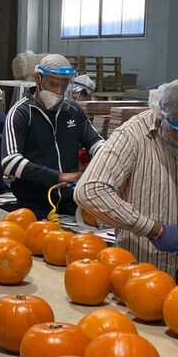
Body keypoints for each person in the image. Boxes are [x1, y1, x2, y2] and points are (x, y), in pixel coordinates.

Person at [74, 81, 178, 277]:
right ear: (161, 113)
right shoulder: (133, 135)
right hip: (143, 276)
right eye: (176, 130)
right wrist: (154, 230)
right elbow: (90, 190)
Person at [1, 54, 105, 218]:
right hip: (33, 208)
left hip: (71, 206)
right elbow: (10, 162)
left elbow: (96, 142)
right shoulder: (21, 113)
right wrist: (58, 176)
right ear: (38, 78)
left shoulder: (74, 111)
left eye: (63, 85)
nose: (57, 91)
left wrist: (107, 158)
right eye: (52, 83)